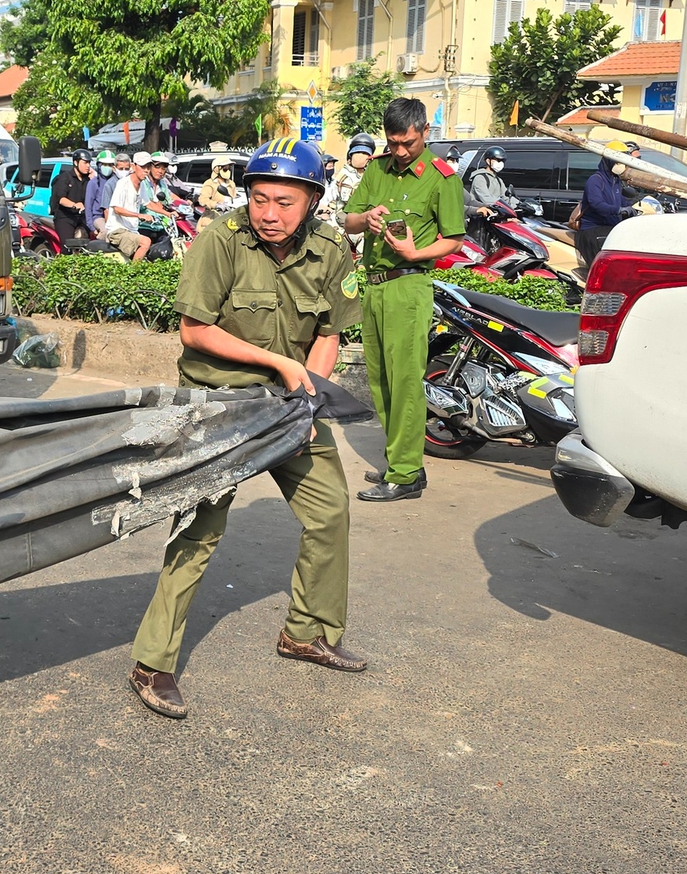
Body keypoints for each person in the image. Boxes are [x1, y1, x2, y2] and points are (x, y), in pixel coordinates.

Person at [126, 138, 365, 719]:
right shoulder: (221, 239)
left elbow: (328, 333)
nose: (269, 213)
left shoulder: (331, 248)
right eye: (259, 199)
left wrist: (309, 398)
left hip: (290, 403)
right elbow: (194, 330)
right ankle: (152, 662)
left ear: (312, 201)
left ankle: (307, 632)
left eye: (284, 202)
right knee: (199, 529)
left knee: (330, 509)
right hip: (220, 403)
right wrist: (279, 362)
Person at [342, 97, 466, 503]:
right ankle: (402, 460)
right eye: (393, 142)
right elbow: (349, 220)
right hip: (375, 285)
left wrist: (416, 253)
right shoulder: (376, 169)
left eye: (407, 143)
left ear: (425, 132)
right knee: (380, 381)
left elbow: (454, 239)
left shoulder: (441, 178)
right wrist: (367, 219)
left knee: (405, 381)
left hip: (409, 286)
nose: (399, 151)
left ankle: (406, 473)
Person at [576, 153, 636, 270]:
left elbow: (621, 200)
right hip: (593, 229)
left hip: (611, 227)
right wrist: (618, 210)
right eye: (617, 162)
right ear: (609, 161)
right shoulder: (595, 180)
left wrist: (633, 207)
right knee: (608, 267)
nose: (621, 166)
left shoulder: (616, 180)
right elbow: (597, 204)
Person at [101, 155, 152, 262]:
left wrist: (168, 214)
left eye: (148, 167)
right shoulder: (122, 183)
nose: (146, 170)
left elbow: (149, 204)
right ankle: (134, 271)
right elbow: (116, 209)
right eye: (143, 167)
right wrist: (139, 215)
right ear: (134, 166)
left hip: (132, 230)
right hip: (118, 230)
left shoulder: (142, 184)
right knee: (145, 242)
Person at [49, 147, 94, 247]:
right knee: (68, 246)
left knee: (90, 245)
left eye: (89, 163)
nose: (88, 166)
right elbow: (61, 199)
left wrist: (95, 178)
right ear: (75, 163)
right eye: (85, 163)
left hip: (82, 217)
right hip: (65, 217)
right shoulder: (64, 178)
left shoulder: (88, 180)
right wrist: (74, 205)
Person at [84, 148, 120, 241]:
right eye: (104, 164)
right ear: (99, 165)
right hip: (99, 217)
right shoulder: (93, 183)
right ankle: (95, 249)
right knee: (105, 231)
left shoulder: (118, 182)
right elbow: (88, 205)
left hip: (116, 217)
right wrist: (91, 227)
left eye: (110, 165)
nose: (107, 167)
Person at [196, 155, 239, 226]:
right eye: (225, 169)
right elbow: (202, 200)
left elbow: (233, 199)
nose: (228, 171)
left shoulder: (231, 184)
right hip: (211, 219)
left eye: (229, 168)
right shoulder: (210, 183)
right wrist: (216, 205)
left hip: (227, 218)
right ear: (217, 169)